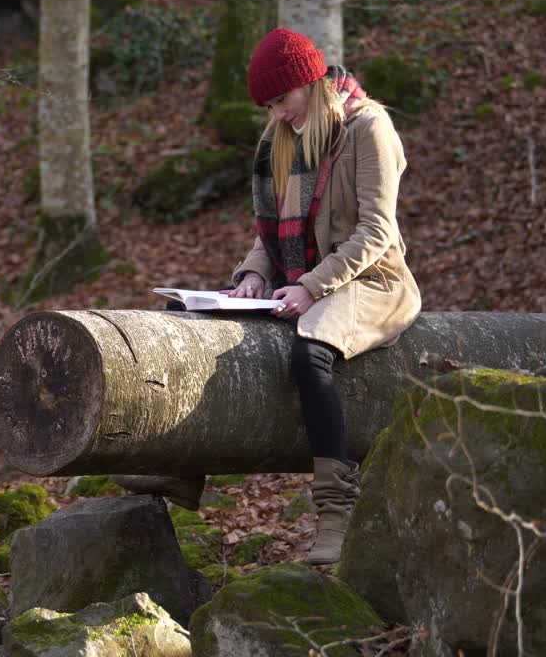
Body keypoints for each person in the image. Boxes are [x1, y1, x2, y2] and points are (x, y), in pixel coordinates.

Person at [115, 27, 422, 565]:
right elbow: (271, 233)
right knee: (188, 321)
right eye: (269, 105)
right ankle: (181, 467)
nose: (277, 113)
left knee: (310, 353)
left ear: (311, 83)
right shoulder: (280, 137)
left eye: (282, 100)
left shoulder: (369, 127)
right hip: (294, 280)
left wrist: (310, 285)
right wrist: (252, 276)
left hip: (370, 283)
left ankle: (335, 512)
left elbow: (375, 232)